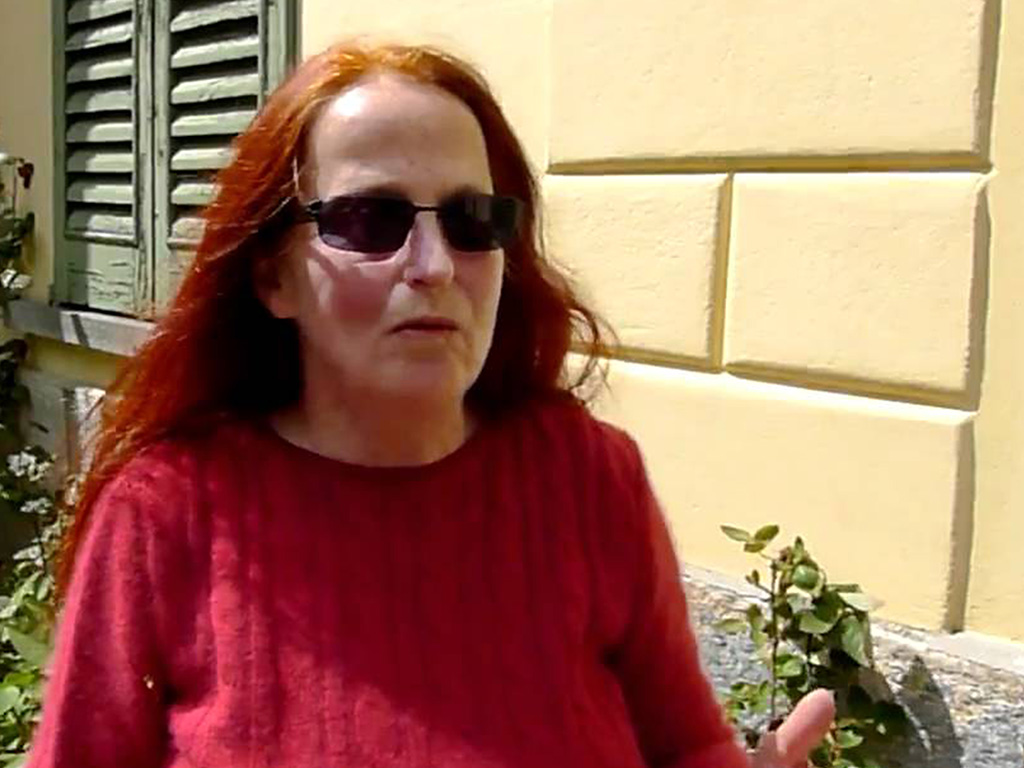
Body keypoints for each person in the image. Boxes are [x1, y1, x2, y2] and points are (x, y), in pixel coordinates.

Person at [26, 42, 833, 768]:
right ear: (274, 278)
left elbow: (686, 745)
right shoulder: (167, 514)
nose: (434, 265)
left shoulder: (589, 480)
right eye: (369, 219)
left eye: (472, 220)